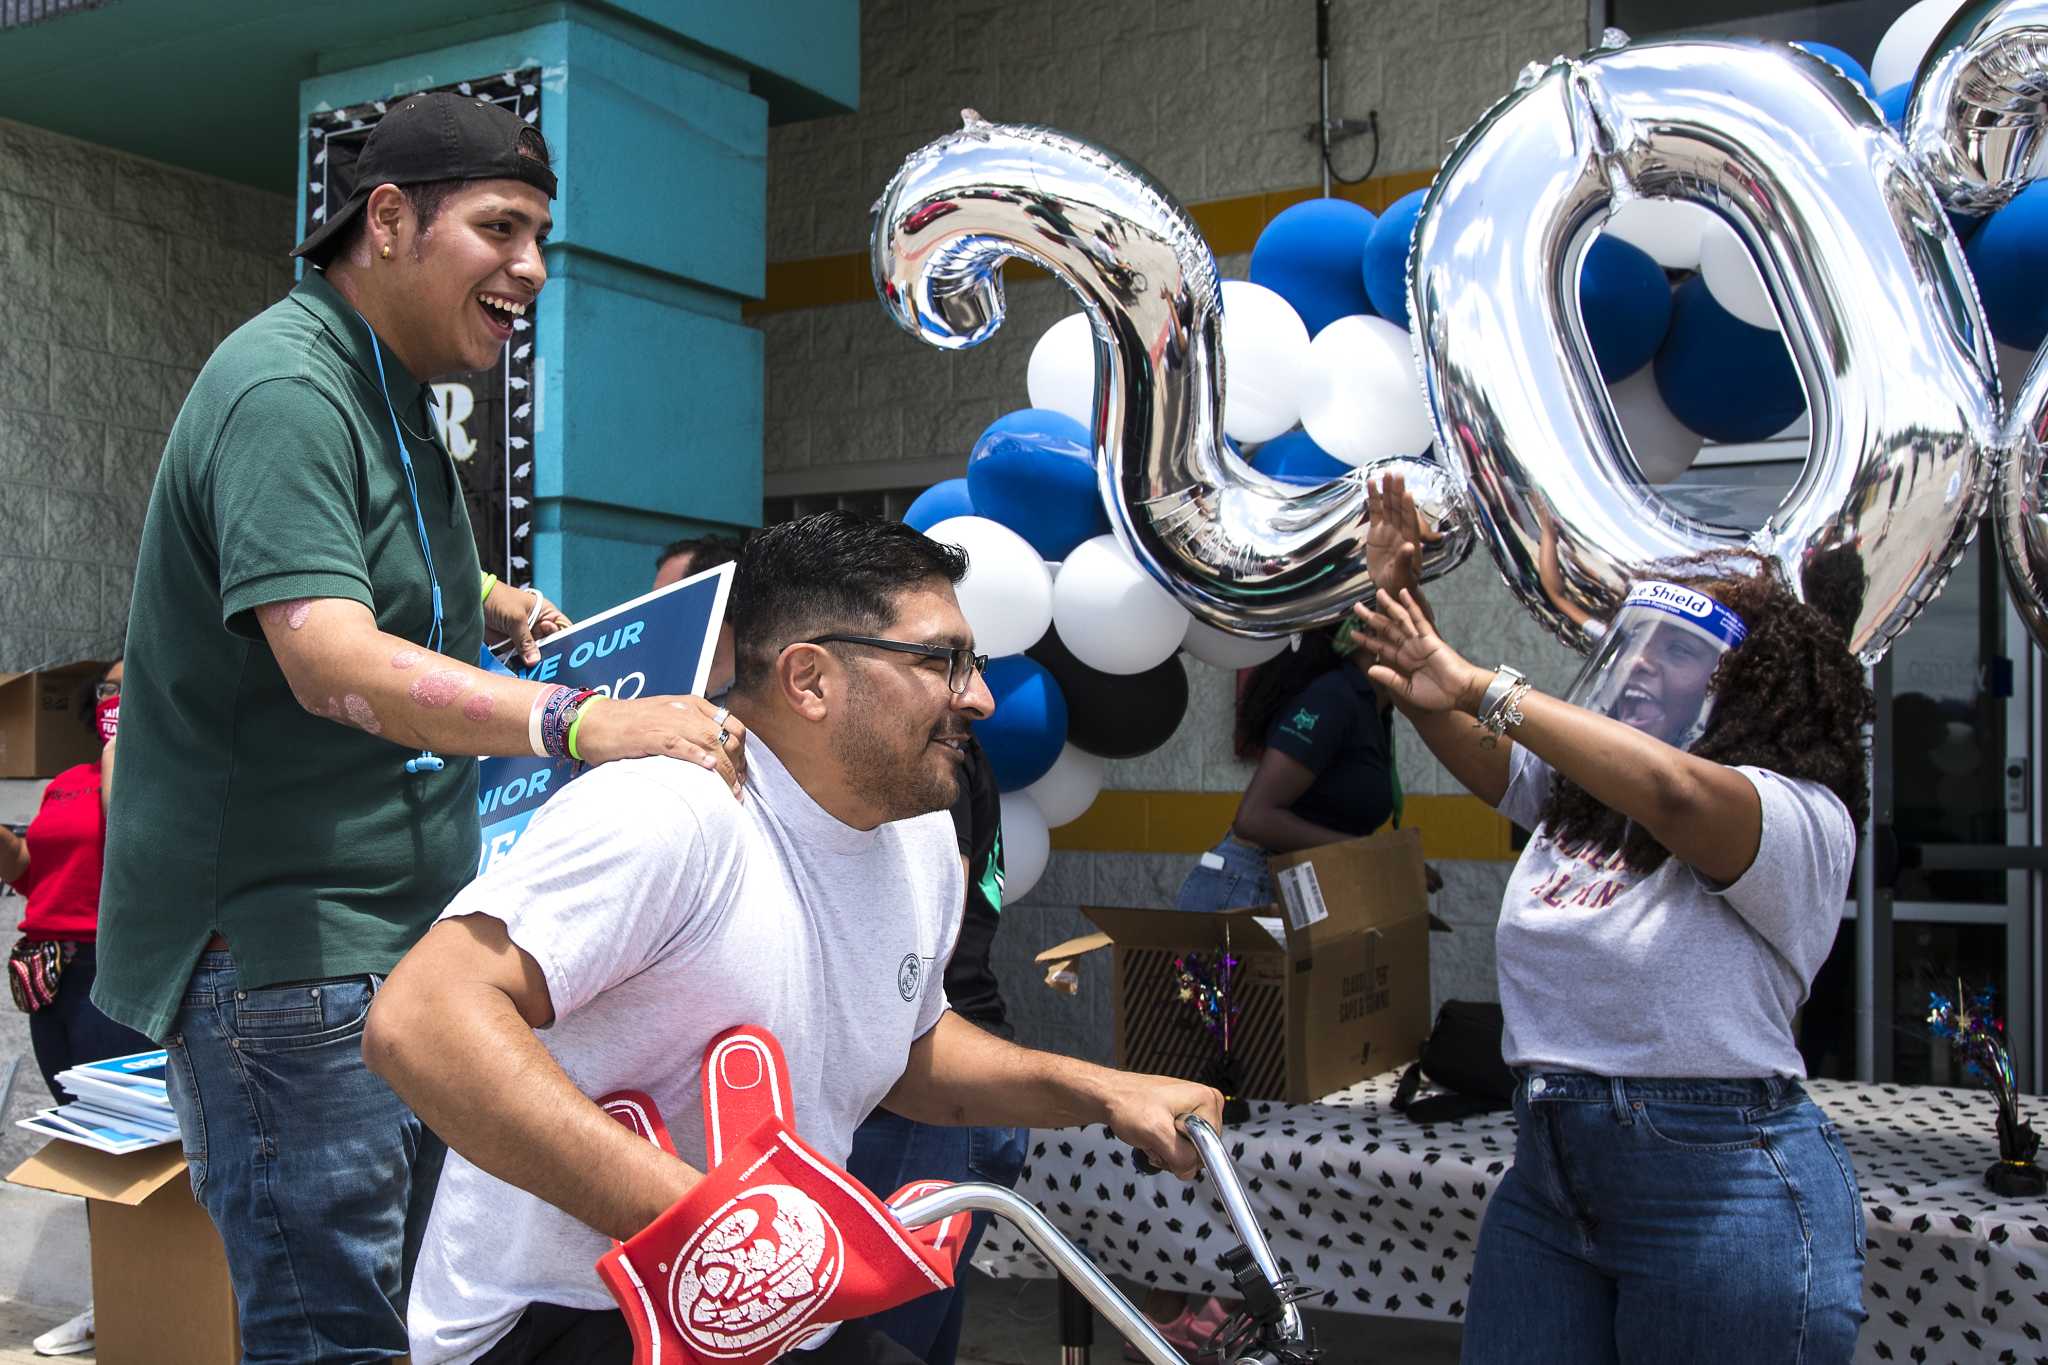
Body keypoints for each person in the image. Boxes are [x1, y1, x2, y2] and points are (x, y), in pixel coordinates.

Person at [92, 93, 745, 1365]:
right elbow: (333, 658)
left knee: (424, 1328)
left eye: (541, 235)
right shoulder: (286, 389)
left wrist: (495, 603)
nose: (534, 270)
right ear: (386, 221)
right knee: (342, 1339)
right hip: (291, 967)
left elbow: (387, 571)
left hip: (400, 950)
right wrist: (581, 721)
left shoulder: (395, 393)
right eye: (500, 228)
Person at [364, 511, 1224, 1365]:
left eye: (977, 662)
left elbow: (908, 1051)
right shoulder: (670, 810)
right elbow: (422, 1021)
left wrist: (1103, 1091)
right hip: (566, 1316)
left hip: (762, 1316)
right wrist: (722, 1223)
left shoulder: (918, 834)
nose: (981, 697)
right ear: (810, 680)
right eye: (944, 662)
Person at [1354, 473, 1871, 1365]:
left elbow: (1672, 790)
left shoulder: (1796, 815)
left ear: (1754, 687)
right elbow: (1430, 694)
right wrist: (1396, 590)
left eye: (1675, 652)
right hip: (1551, 1179)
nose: (1637, 665)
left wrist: (1484, 683)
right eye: (1635, 646)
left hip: (1721, 1188)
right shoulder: (1582, 795)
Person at [844, 731, 1026, 1365]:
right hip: (945, 1096)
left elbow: (920, 947)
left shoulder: (923, 755)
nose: (977, 696)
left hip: (927, 1093)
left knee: (877, 1337)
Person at [4, 659, 152, 1358]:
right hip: (49, 974)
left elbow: (131, 843)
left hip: (109, 968)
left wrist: (124, 749)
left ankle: (136, 1293)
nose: (111, 699)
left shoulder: (147, 776)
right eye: (105, 690)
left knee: (121, 1139)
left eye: (125, 688)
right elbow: (31, 867)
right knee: (83, 1138)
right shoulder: (65, 780)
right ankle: (109, 1294)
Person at [1174, 624, 1397, 915]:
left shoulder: (1373, 708)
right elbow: (1253, 819)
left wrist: (1393, 863)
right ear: (1370, 641)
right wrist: (1373, 854)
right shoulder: (1334, 697)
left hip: (1290, 888)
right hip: (1246, 890)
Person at [654, 532, 747, 695]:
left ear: (711, 597)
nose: (654, 612)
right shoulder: (652, 692)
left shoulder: (768, 694)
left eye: (665, 599)